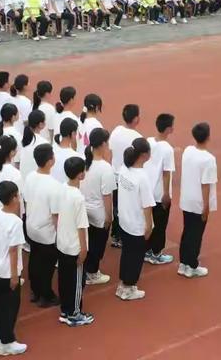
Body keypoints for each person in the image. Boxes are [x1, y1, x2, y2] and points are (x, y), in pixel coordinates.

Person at [0, 181, 27, 356]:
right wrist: (14, 276)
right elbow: (13, 250)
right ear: (14, 198)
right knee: (10, 308)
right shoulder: (15, 222)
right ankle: (7, 342)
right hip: (7, 271)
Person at [23, 143, 60, 308]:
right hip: (46, 232)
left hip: (31, 226)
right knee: (47, 265)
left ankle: (35, 291)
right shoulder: (54, 185)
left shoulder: (30, 176)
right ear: (50, 160)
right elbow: (55, 215)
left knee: (35, 259)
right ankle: (46, 295)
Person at [116, 138, 154, 301]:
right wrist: (148, 226)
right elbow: (147, 206)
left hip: (124, 221)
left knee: (126, 254)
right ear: (145, 155)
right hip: (136, 224)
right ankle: (129, 287)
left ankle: (123, 285)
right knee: (135, 257)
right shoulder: (142, 178)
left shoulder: (124, 169)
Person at [57, 157, 93, 326]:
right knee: (77, 282)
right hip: (74, 247)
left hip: (62, 243)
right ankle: (74, 313)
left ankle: (65, 309)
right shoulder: (78, 197)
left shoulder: (62, 188)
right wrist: (84, 249)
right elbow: (82, 226)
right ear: (80, 174)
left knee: (64, 279)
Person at [179, 122, 217, 278]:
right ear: (208, 137)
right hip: (198, 202)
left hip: (186, 199)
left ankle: (183, 263)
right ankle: (192, 265)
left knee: (187, 231)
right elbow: (206, 185)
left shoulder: (188, 151)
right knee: (196, 234)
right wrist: (206, 207)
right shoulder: (209, 159)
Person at [80, 128, 115, 285]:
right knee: (97, 245)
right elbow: (107, 196)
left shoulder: (84, 162)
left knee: (88, 242)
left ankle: (88, 269)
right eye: (107, 142)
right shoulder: (106, 168)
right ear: (102, 144)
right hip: (99, 212)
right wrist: (109, 216)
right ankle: (92, 273)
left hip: (85, 209)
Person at [108, 104, 142, 248]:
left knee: (117, 207)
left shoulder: (116, 131)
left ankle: (116, 236)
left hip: (115, 176)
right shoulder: (138, 138)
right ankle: (123, 236)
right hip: (128, 178)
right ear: (136, 119)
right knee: (127, 208)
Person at [144, 114, 175, 265]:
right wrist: (166, 194)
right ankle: (156, 253)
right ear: (168, 129)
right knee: (160, 225)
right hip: (159, 193)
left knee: (148, 222)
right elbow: (166, 172)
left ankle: (147, 249)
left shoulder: (148, 141)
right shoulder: (168, 149)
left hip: (147, 190)